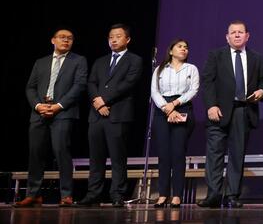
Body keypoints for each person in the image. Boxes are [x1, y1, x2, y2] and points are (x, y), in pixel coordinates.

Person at [198, 20, 263, 208]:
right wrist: (211, 106)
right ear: (227, 37)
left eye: (240, 32)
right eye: (233, 32)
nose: (237, 35)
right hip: (218, 111)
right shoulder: (216, 55)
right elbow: (207, 82)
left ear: (247, 36)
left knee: (237, 155)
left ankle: (232, 195)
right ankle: (213, 195)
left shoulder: (257, 58)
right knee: (214, 154)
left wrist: (262, 91)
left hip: (243, 111)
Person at [15, 28, 88, 208]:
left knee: (61, 152)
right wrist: (38, 106)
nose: (66, 40)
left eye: (70, 38)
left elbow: (79, 86)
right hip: (39, 113)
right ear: (53, 40)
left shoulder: (78, 60)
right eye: (62, 37)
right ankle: (33, 194)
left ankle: (66, 195)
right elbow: (30, 87)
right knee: (36, 153)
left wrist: (58, 106)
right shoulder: (41, 62)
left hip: (63, 112)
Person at [76, 24, 143, 207]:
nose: (113, 40)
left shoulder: (134, 60)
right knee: (95, 157)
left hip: (118, 114)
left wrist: (104, 100)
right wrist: (97, 102)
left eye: (118, 36)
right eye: (111, 37)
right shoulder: (100, 61)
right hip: (97, 115)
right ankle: (93, 193)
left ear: (127, 39)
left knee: (117, 157)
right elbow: (91, 83)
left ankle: (117, 194)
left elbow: (128, 84)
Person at [150, 38, 199, 208]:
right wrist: (167, 108)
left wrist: (175, 104)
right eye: (180, 46)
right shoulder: (160, 69)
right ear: (171, 51)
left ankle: (177, 195)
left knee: (178, 153)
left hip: (183, 107)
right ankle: (163, 194)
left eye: (186, 47)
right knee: (164, 154)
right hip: (162, 109)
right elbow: (155, 92)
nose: (184, 49)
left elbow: (193, 90)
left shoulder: (191, 68)